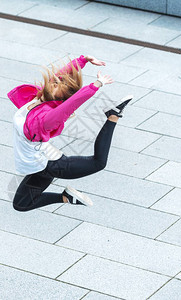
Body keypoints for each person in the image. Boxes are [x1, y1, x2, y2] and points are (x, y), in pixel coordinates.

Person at [8, 54, 132, 212]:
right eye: (54, 84)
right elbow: (60, 76)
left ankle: (113, 116)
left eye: (56, 86)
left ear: (59, 98)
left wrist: (96, 85)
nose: (53, 83)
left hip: (50, 165)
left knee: (98, 163)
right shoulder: (38, 97)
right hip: (38, 164)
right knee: (21, 204)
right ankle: (66, 197)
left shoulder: (45, 119)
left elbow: (71, 105)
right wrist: (83, 60)